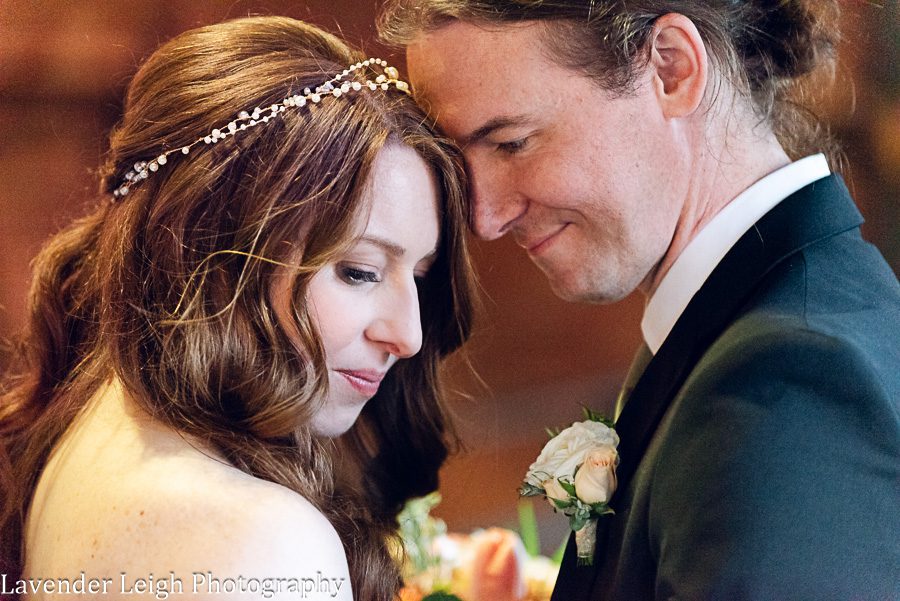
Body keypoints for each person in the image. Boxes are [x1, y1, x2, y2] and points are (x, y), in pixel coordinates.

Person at [378, 1, 900, 599]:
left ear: (671, 69)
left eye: (512, 143)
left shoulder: (792, 383)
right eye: (458, 160)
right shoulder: (751, 340)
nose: (484, 217)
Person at [0, 16, 476, 600]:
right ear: (214, 252)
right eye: (360, 272)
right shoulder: (266, 541)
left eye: (419, 279)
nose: (408, 336)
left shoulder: (84, 439)